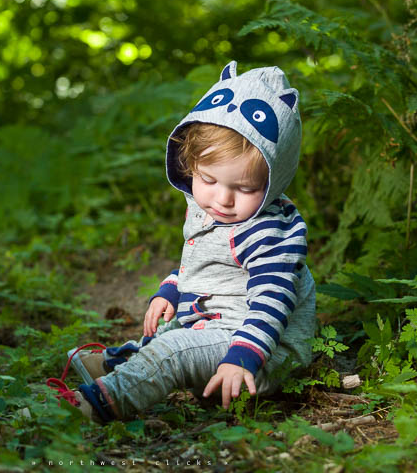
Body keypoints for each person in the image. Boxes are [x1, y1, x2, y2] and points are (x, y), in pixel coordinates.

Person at [48, 61, 316, 423]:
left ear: (275, 180)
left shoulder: (268, 233)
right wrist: (170, 290)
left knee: (175, 351)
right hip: (215, 321)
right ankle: (119, 363)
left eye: (245, 188)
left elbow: (273, 303)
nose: (222, 199)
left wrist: (242, 359)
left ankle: (97, 404)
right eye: (208, 179)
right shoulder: (208, 211)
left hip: (260, 348)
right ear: (190, 164)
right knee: (169, 331)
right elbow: (201, 265)